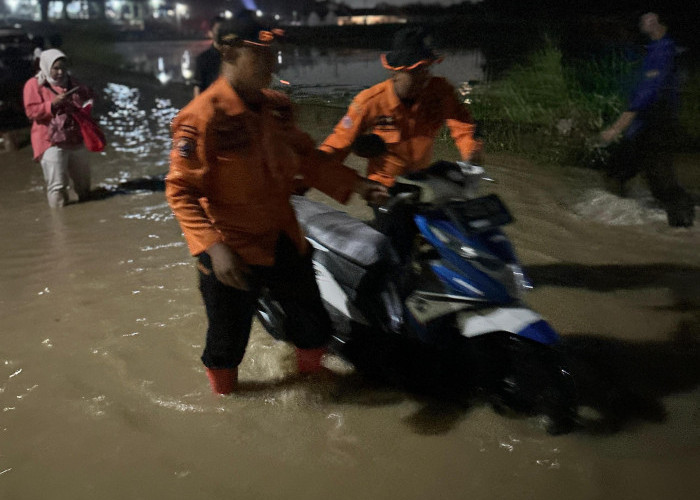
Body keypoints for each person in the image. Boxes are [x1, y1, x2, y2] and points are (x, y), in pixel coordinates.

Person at [165, 12, 388, 396]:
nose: (271, 64)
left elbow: (307, 160)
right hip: (231, 248)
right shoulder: (201, 119)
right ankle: (227, 402)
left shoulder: (277, 108)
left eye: (273, 54)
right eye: (259, 54)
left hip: (283, 236)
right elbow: (180, 191)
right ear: (229, 52)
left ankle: (314, 383)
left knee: (313, 324)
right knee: (226, 341)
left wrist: (360, 186)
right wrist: (214, 250)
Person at [318, 26, 482, 188]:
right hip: (384, 188)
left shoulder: (440, 92)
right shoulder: (369, 102)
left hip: (423, 183)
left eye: (427, 68)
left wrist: (471, 154)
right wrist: (313, 167)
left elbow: (464, 127)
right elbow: (338, 144)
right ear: (394, 73)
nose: (424, 76)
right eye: (416, 70)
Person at [600, 11, 694, 227]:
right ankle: (620, 220)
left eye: (649, 20)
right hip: (645, 127)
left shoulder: (663, 51)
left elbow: (646, 95)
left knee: (662, 183)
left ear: (661, 24)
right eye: (642, 19)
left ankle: (683, 225)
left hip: (656, 127)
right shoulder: (655, 50)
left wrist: (616, 128)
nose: (643, 23)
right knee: (617, 170)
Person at [23, 49, 95, 208]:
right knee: (57, 185)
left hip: (74, 137)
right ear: (46, 66)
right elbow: (31, 112)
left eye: (63, 67)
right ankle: (60, 221)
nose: (60, 72)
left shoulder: (73, 82)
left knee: (83, 183)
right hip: (50, 141)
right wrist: (52, 104)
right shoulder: (34, 85)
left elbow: (85, 102)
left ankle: (86, 216)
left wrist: (86, 100)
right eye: (55, 68)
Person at [192, 16, 224, 97]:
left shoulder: (235, 57)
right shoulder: (203, 59)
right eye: (219, 30)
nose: (222, 33)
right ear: (210, 33)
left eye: (224, 30)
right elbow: (198, 87)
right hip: (212, 104)